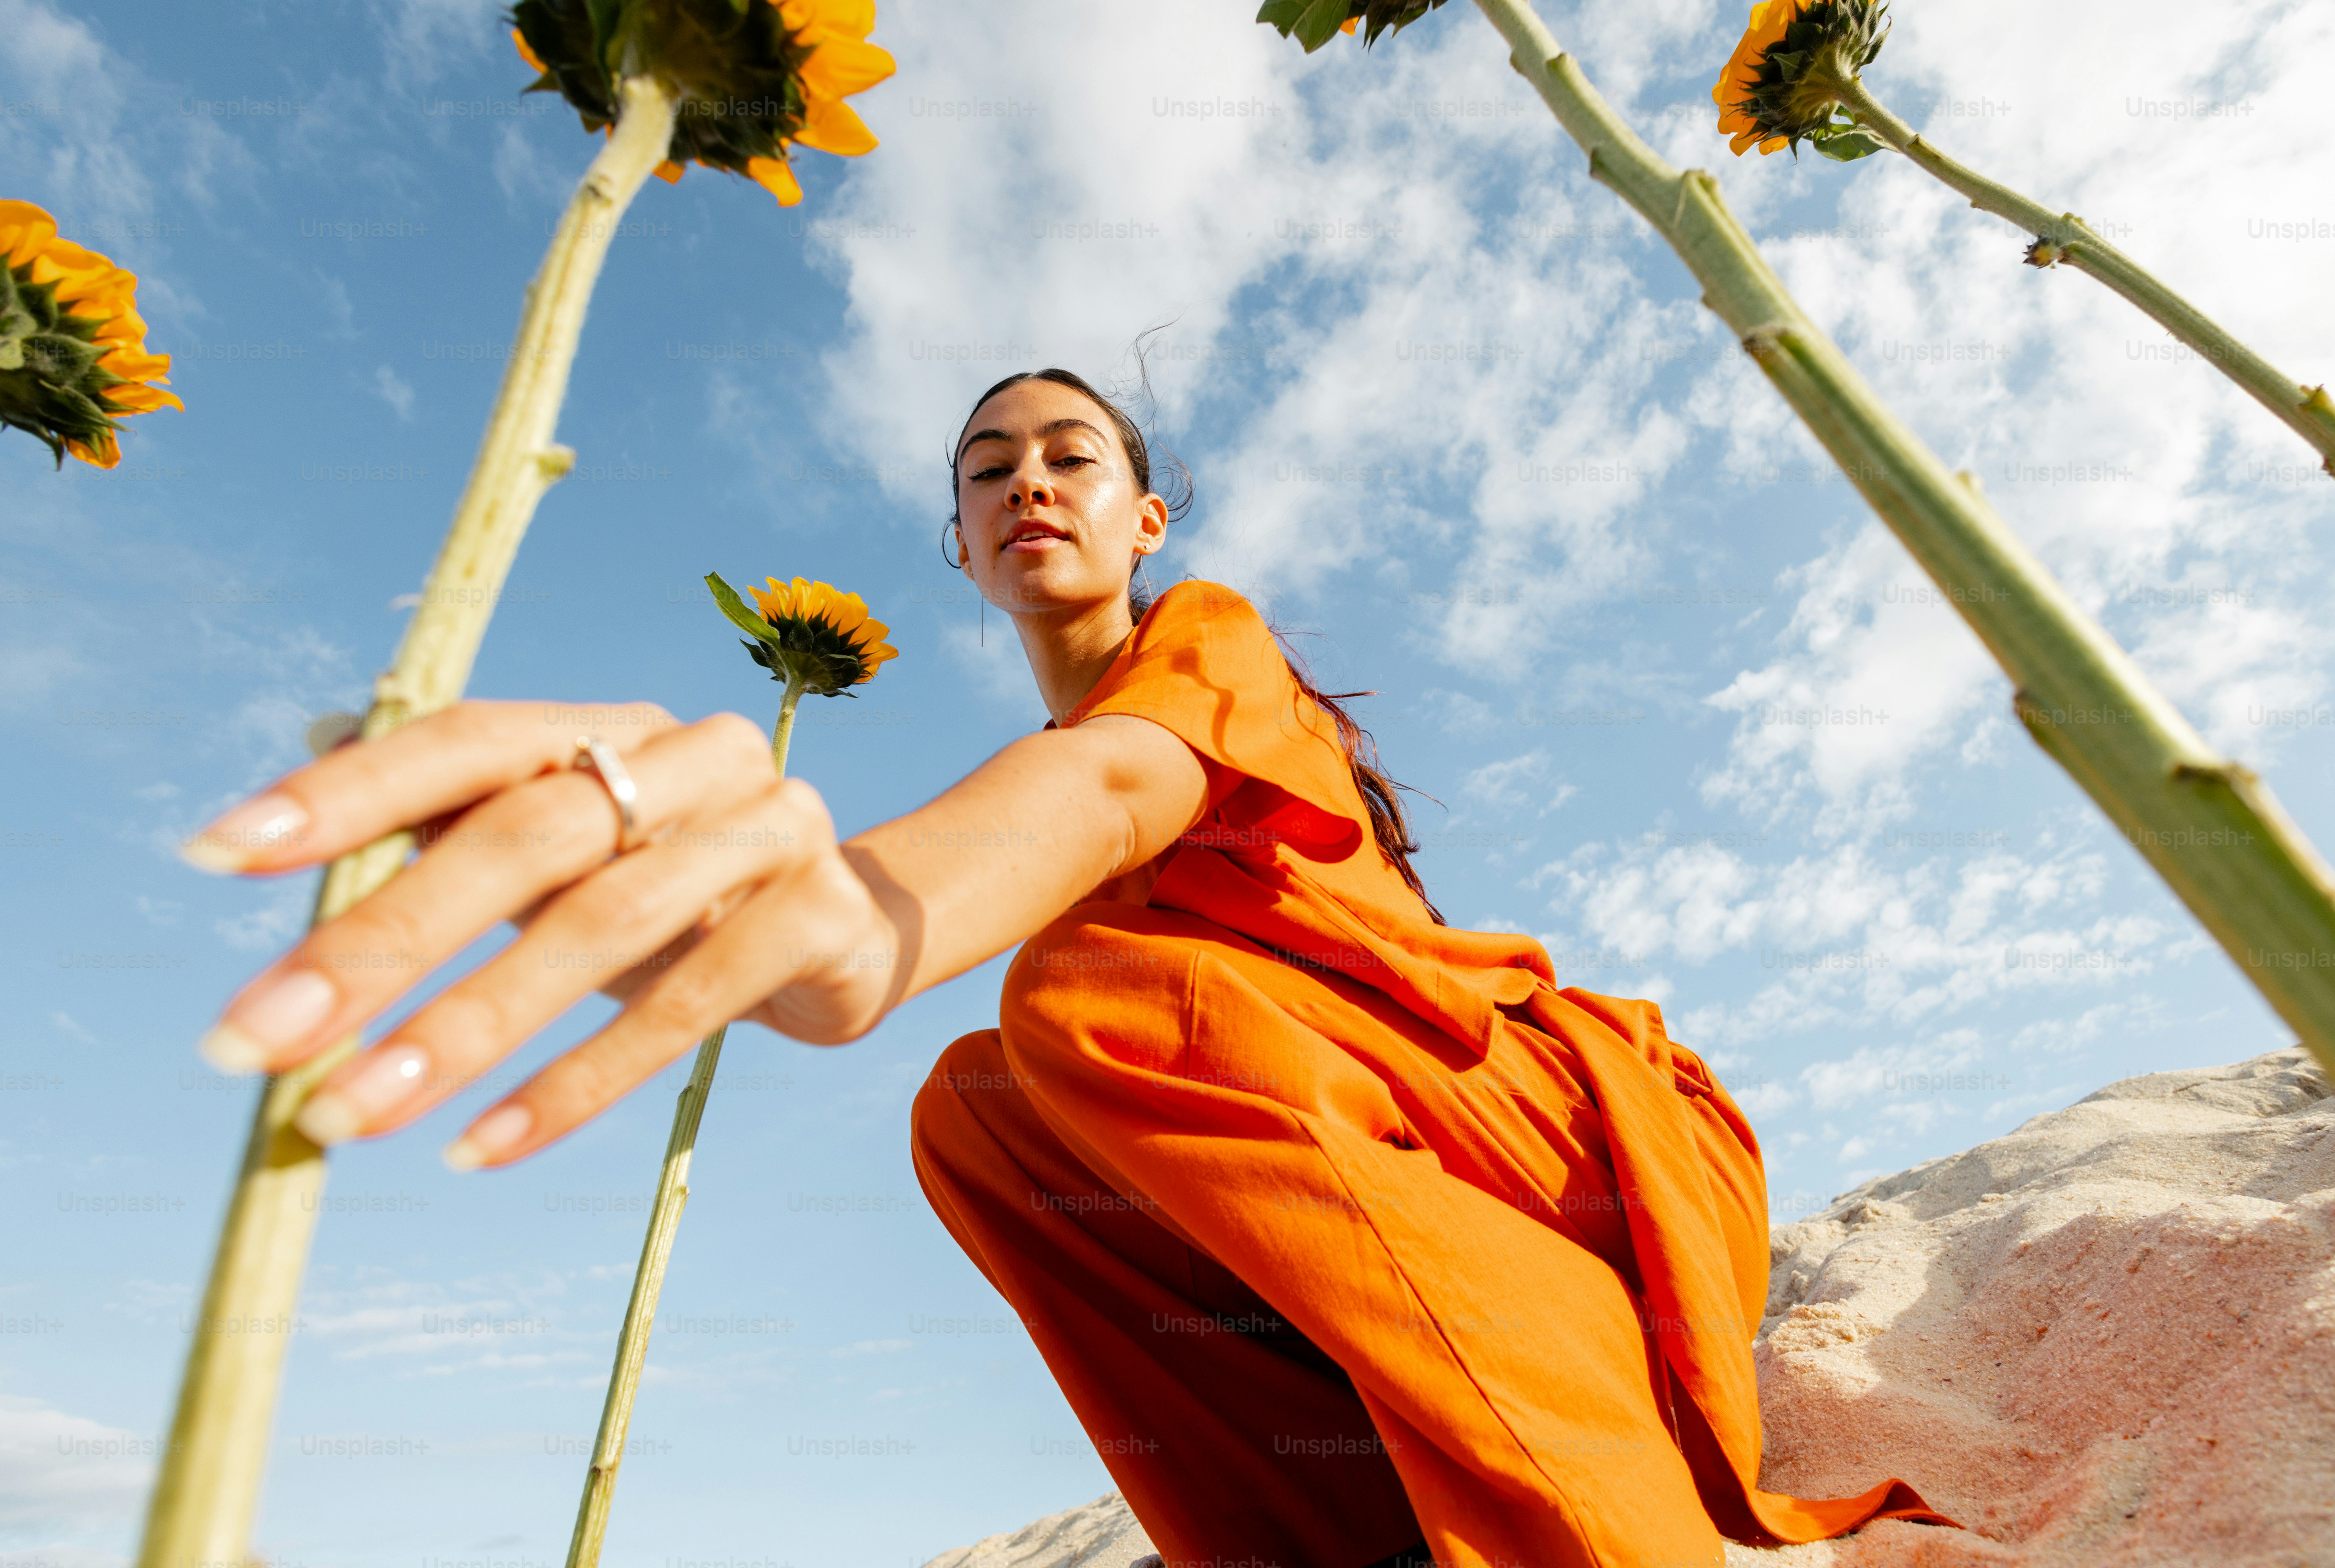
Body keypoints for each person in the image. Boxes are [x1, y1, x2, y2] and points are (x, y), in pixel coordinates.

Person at [187, 368, 1944, 1568]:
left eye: (1070, 454)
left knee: (1074, 1000)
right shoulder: (1087, 783)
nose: (1027, 476)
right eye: (987, 468)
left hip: (1576, 1150)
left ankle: (1586, 1523)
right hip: (1391, 1191)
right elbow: (1014, 863)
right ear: (959, 548)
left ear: (1148, 516)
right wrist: (771, 940)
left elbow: (1099, 786)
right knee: (976, 1112)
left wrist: (849, 914)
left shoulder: (1209, 653)